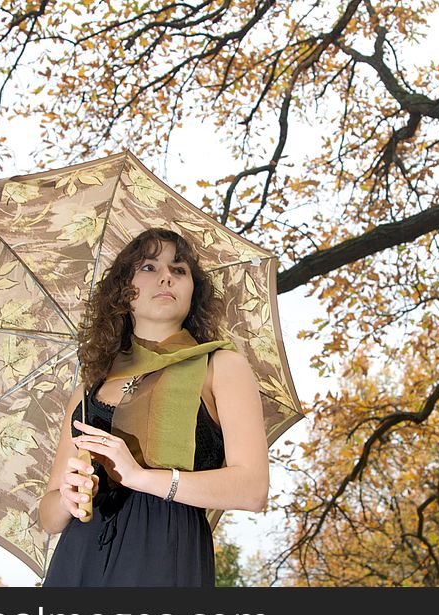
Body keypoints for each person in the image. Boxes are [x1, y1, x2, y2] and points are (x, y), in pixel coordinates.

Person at [39, 227, 268, 586]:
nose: (166, 276)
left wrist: (140, 477)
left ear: (194, 291)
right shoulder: (93, 383)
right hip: (80, 556)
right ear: (123, 291)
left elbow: (252, 489)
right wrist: (68, 496)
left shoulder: (220, 365)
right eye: (148, 267)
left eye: (179, 270)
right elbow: (49, 516)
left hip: (167, 551)